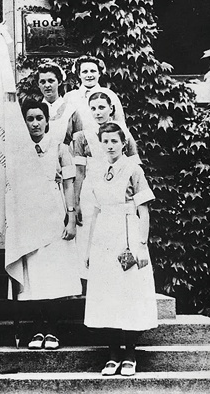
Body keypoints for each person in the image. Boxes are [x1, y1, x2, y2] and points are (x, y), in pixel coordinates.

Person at [84, 122, 157, 377]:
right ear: (100, 143)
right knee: (107, 295)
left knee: (128, 293)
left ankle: (130, 354)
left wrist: (141, 245)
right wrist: (88, 249)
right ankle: (113, 354)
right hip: (104, 235)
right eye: (105, 141)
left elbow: (144, 211)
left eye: (114, 141)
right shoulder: (96, 170)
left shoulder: (133, 169)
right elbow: (94, 211)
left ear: (123, 143)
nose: (110, 145)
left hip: (127, 233)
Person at [16, 99, 81, 350]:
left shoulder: (60, 148)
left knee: (54, 273)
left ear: (47, 120)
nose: (35, 123)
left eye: (39, 118)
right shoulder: (19, 149)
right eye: (30, 119)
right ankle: (37, 328)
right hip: (29, 217)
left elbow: (69, 184)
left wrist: (72, 217)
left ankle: (52, 329)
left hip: (55, 214)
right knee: (34, 276)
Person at [73, 92, 140, 290]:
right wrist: (75, 202)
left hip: (118, 195)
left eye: (102, 107)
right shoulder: (81, 137)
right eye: (93, 108)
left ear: (111, 108)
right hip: (91, 193)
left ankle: (118, 284)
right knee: (89, 236)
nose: (97, 112)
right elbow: (79, 172)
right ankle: (89, 285)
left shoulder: (124, 135)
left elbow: (135, 171)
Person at [63, 55, 127, 132]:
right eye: (85, 72)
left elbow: (120, 124)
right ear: (79, 75)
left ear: (99, 73)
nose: (89, 75)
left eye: (93, 71)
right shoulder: (70, 97)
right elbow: (65, 128)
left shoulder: (110, 95)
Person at [36, 61, 80, 145]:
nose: (47, 85)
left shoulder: (71, 110)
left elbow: (80, 144)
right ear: (38, 85)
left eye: (51, 81)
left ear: (59, 82)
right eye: (42, 82)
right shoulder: (34, 110)